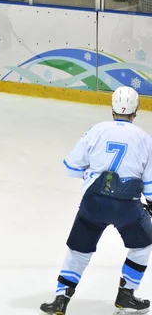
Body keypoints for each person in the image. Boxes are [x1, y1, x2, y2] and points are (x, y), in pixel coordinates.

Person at [40, 86, 152, 314]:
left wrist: (94, 176)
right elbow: (150, 183)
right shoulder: (144, 139)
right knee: (142, 245)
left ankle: (61, 300)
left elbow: (71, 167)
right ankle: (126, 294)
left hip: (93, 203)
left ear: (112, 107)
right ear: (136, 110)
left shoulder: (96, 130)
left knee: (78, 251)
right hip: (127, 206)